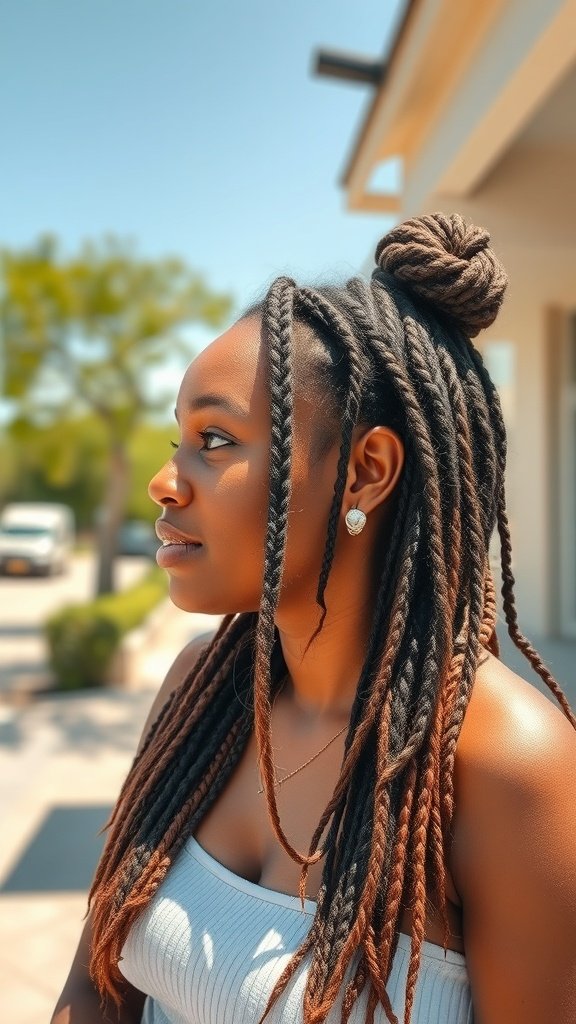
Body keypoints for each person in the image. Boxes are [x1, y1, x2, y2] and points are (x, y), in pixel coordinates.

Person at [51, 213, 576, 1024]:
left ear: (366, 471)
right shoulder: (204, 689)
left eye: (214, 441)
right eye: (177, 441)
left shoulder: (508, 764)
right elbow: (95, 987)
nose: (165, 480)